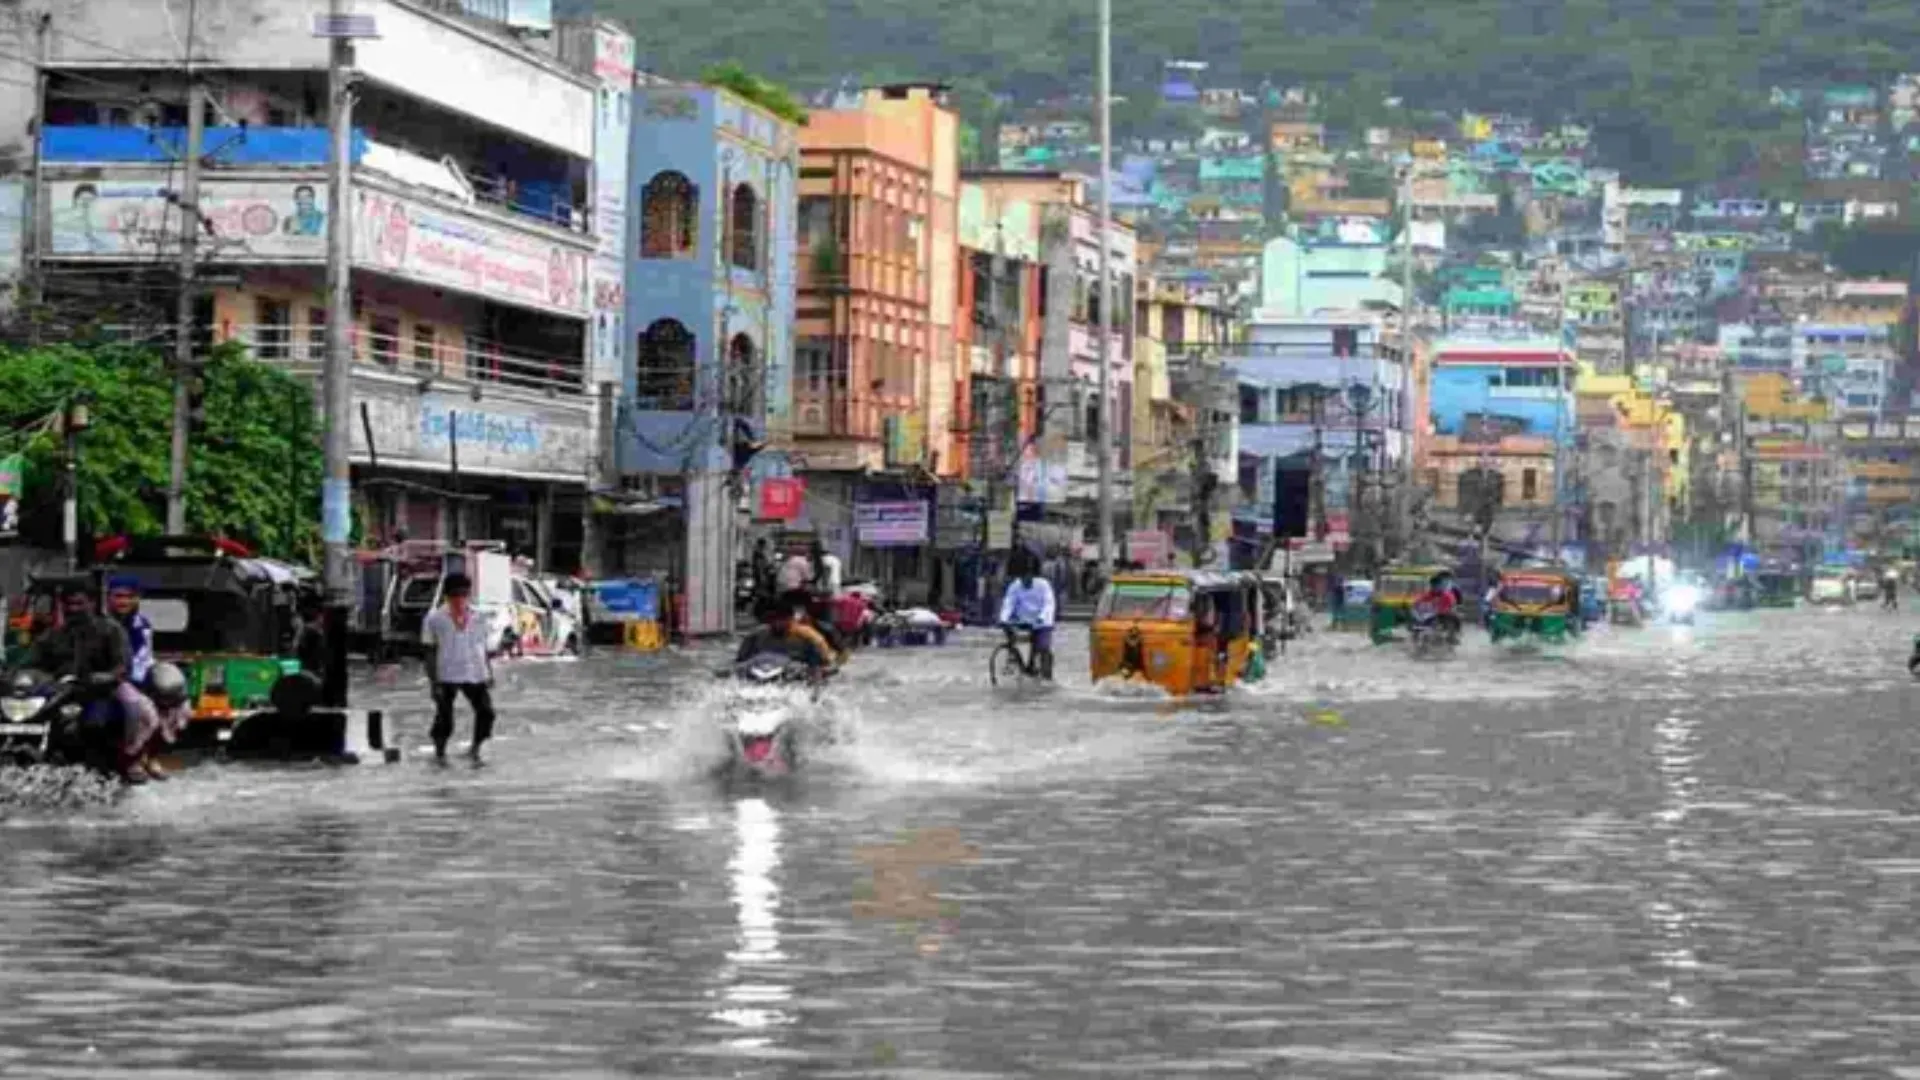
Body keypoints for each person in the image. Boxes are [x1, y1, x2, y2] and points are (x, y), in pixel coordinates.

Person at [422, 573, 497, 762]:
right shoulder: (434, 618)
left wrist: (489, 672)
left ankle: (476, 748)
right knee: (444, 718)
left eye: (464, 594)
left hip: (475, 672)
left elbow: (483, 646)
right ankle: (439, 753)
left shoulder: (479, 616)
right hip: (446, 674)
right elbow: (429, 651)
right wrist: (434, 682)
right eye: (455, 594)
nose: (460, 599)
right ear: (446, 595)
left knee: (486, 712)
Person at [105, 577, 175, 781]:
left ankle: (150, 756)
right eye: (118, 596)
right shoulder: (102, 622)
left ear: (137, 599)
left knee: (172, 703)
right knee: (144, 712)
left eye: (128, 597)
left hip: (136, 677)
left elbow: (144, 656)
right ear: (108, 598)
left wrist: (145, 680)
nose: (123, 602)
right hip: (108, 678)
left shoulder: (141, 624)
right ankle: (130, 759)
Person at [735, 599, 831, 678]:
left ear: (790, 619)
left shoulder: (807, 636)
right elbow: (740, 661)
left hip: (796, 669)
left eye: (781, 619)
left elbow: (822, 664)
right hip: (764, 668)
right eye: (774, 619)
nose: (777, 623)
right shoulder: (756, 635)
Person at [997, 549, 1056, 679]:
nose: (1024, 580)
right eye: (1021, 577)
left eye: (1027, 577)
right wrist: (1003, 619)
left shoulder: (1043, 585)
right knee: (1009, 631)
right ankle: (1014, 658)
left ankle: (1046, 674)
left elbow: (1048, 604)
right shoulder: (1015, 586)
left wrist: (1041, 618)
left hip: (1042, 622)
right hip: (1023, 620)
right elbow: (1008, 603)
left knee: (1043, 647)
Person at [1413, 572, 1462, 639]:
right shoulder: (1428, 594)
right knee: (1417, 622)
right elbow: (1418, 603)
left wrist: (1446, 609)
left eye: (1437, 585)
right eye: (1433, 586)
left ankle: (1453, 636)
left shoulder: (1449, 594)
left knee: (1454, 618)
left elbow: (1453, 604)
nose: (1435, 587)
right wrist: (1417, 608)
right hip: (1430, 614)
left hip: (1445, 614)